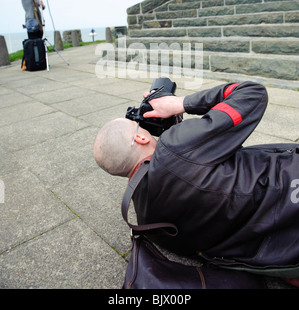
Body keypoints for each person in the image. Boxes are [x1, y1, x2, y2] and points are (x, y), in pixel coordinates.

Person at [93, 81, 299, 278]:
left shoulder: (145, 220)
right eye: (138, 126)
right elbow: (252, 93)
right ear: (141, 138)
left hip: (281, 253)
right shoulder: (175, 147)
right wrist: (179, 104)